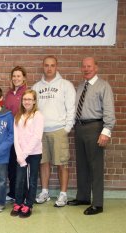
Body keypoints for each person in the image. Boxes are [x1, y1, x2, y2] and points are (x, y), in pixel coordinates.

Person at [67, 57, 116, 215]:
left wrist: (106, 131)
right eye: (84, 67)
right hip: (80, 128)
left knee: (95, 166)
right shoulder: (81, 86)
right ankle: (83, 197)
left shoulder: (103, 86)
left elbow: (109, 111)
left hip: (95, 128)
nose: (86, 69)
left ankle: (98, 203)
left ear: (96, 68)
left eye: (89, 66)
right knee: (81, 165)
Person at [32, 56, 76, 207]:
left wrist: (67, 128)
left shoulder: (66, 85)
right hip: (41, 132)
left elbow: (71, 109)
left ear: (56, 66)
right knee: (43, 163)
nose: (49, 68)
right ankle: (45, 192)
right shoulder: (36, 87)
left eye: (52, 65)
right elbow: (33, 110)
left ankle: (63, 194)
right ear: (42, 66)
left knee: (62, 163)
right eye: (46, 65)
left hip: (59, 130)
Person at [11, 89, 44, 218]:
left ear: (34, 101)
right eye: (25, 99)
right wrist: (19, 154)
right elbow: (16, 137)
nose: (27, 102)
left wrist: (24, 155)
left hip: (33, 154)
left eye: (29, 99)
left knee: (31, 180)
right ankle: (18, 202)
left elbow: (37, 137)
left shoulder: (38, 115)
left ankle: (28, 204)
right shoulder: (18, 115)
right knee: (19, 180)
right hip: (20, 155)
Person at [4, 66, 28, 202]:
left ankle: (23, 194)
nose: (16, 78)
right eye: (14, 76)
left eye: (19, 76)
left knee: (22, 165)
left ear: (24, 77)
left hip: (23, 135)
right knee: (12, 165)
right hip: (10, 135)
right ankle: (13, 192)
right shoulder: (9, 94)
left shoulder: (27, 93)